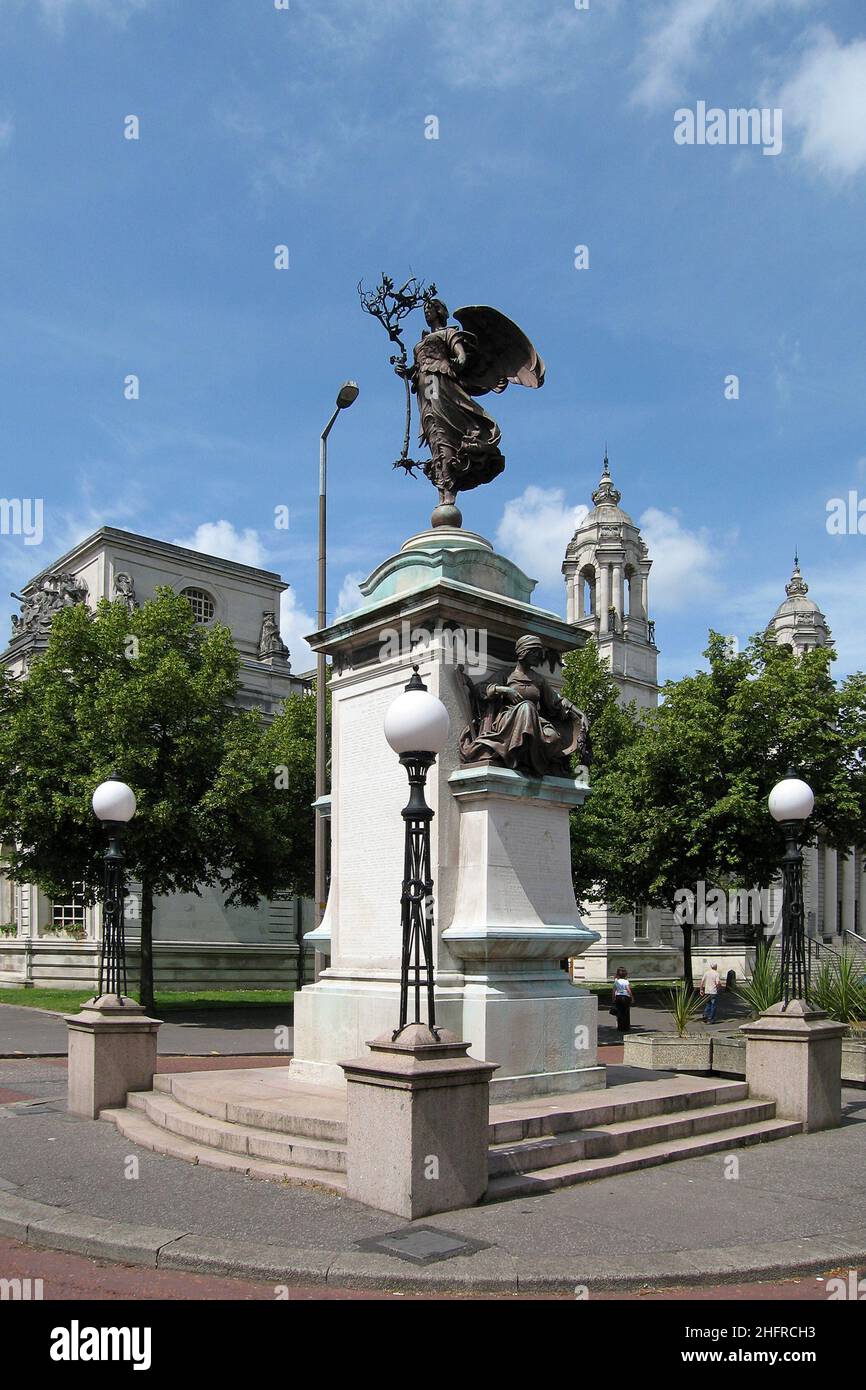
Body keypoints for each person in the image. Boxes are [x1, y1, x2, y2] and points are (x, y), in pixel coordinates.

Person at [612, 966, 633, 1034]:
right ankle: (626, 1027)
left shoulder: (616, 982)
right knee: (626, 1012)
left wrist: (613, 998)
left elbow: (614, 990)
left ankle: (620, 1027)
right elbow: (628, 990)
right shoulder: (626, 981)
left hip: (618, 996)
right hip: (625, 996)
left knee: (619, 1012)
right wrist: (632, 997)